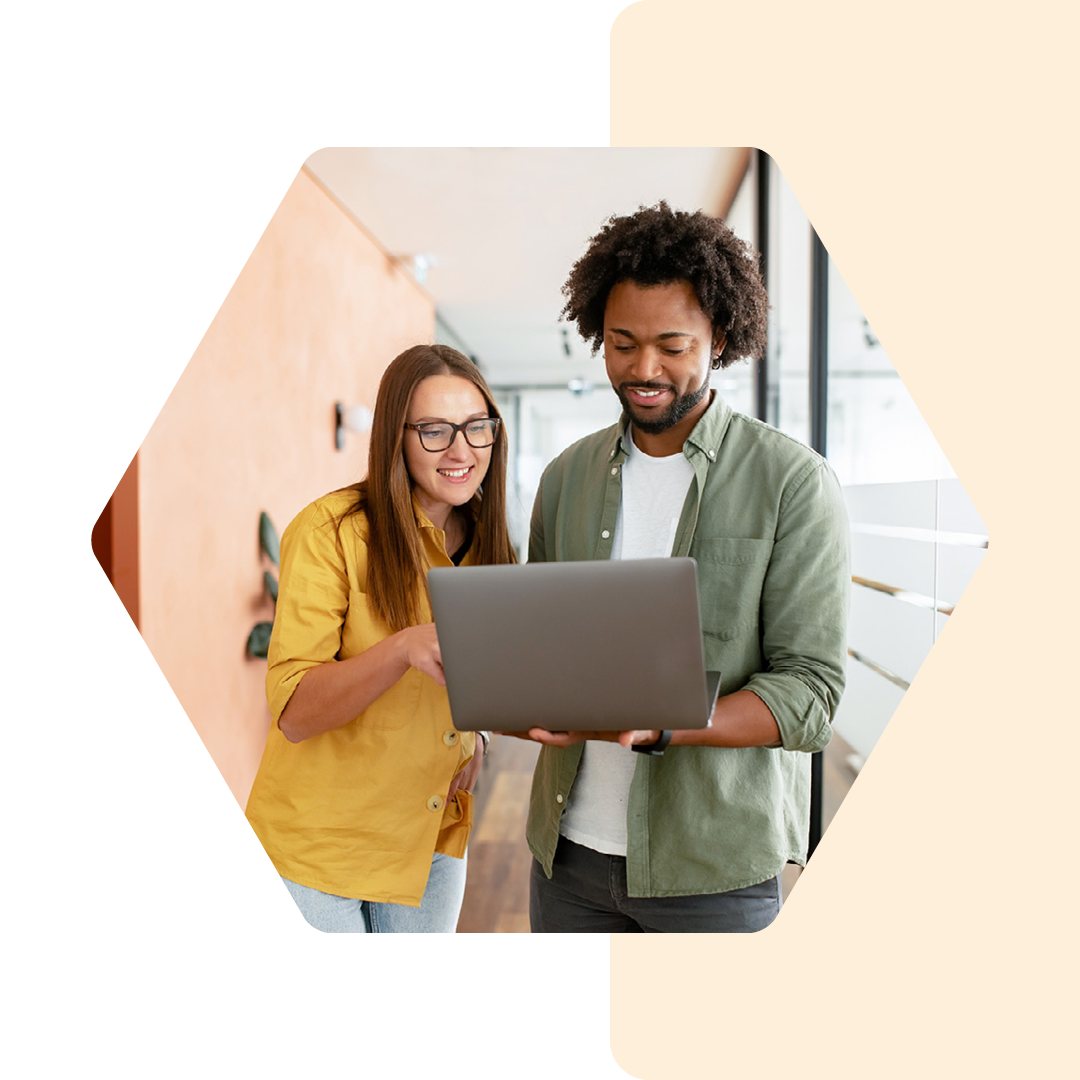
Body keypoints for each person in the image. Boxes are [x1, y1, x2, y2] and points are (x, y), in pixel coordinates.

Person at [521, 202, 850, 933]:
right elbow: (542, 646)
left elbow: (811, 695)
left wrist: (672, 723)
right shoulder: (565, 478)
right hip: (567, 857)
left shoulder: (792, 481)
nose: (644, 370)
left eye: (673, 346)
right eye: (622, 343)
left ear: (720, 340)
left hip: (713, 870)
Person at [245, 343, 516, 933]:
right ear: (396, 436)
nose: (461, 451)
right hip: (320, 851)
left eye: (476, 428)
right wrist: (398, 650)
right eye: (435, 432)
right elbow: (294, 710)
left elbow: (492, 669)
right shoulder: (329, 532)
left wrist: (481, 734)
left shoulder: (493, 548)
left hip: (430, 843)